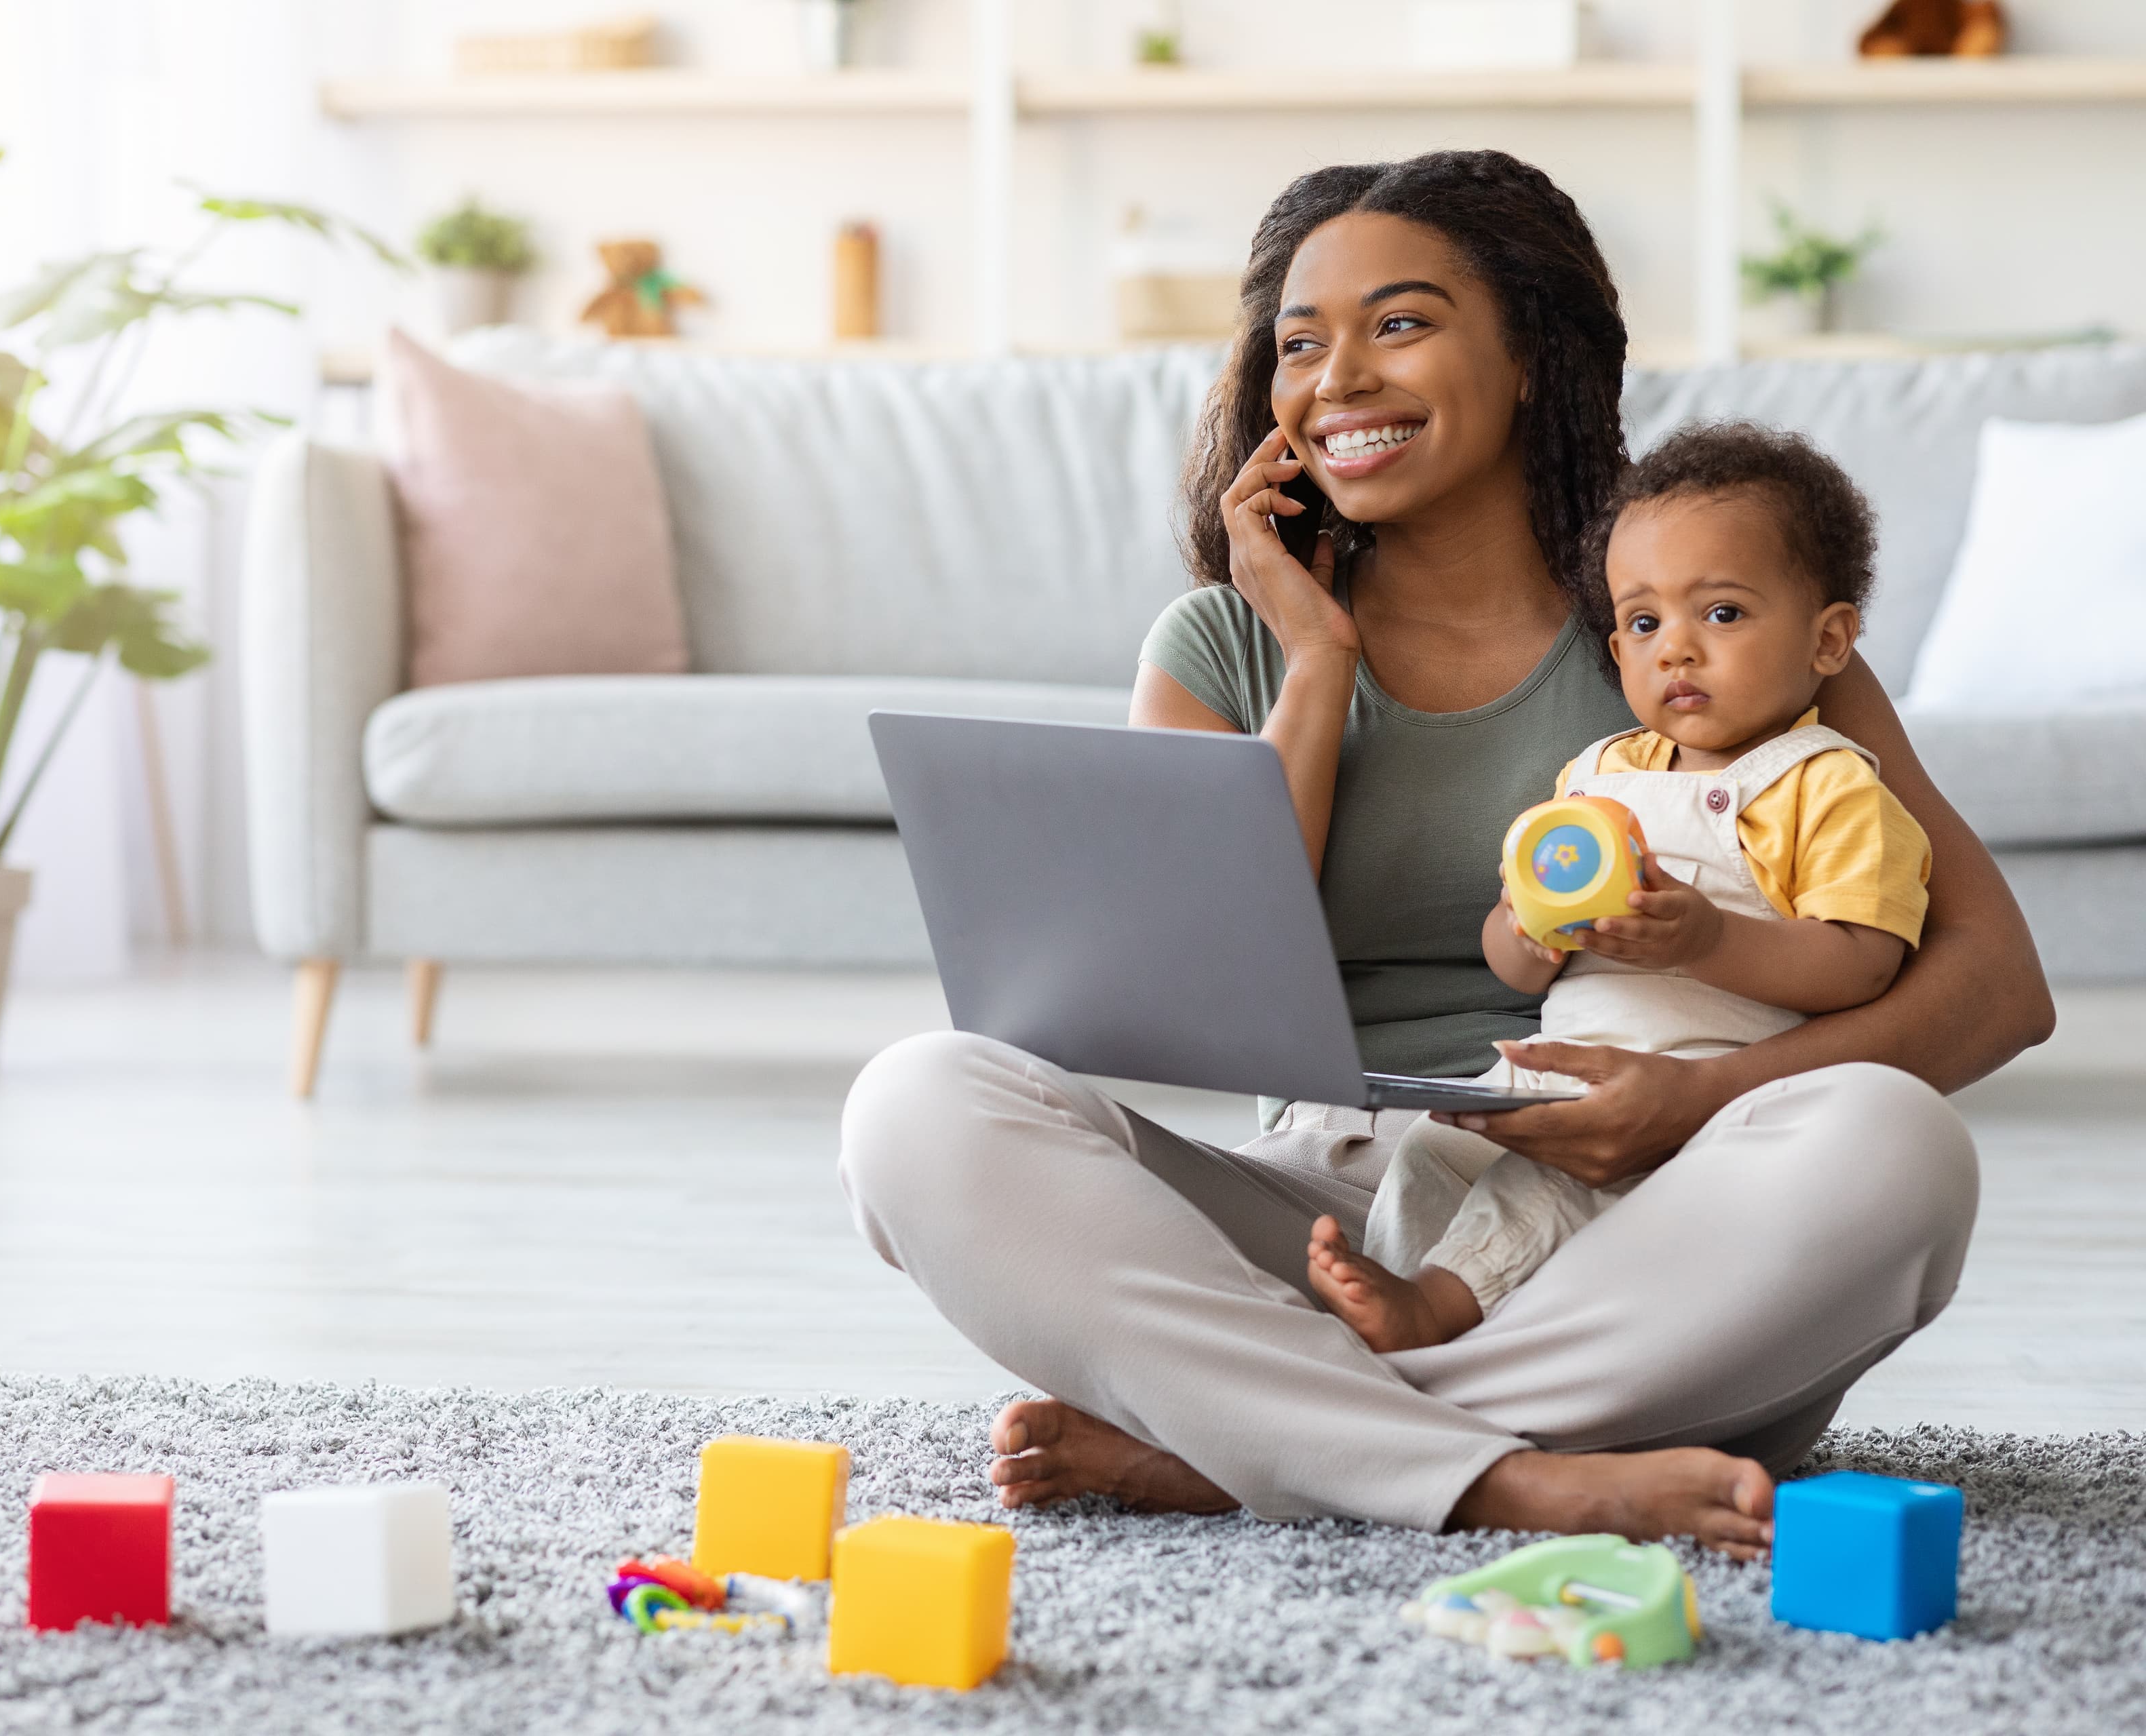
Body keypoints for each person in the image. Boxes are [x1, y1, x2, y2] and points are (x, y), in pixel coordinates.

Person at [835, 150, 2052, 1560]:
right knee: (915, 1104)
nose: (1338, 379)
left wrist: (1693, 1099)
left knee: (1896, 1145)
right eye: (1301, 345)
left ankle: (1261, 1447)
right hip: (1330, 1221)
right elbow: (1184, 989)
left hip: (1645, 1239)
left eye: (1400, 323)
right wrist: (1315, 661)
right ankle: (1511, 1477)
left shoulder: (1708, 625)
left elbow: (1998, 986)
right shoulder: (1222, 642)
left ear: (1532, 355)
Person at [1306, 422, 1934, 1354]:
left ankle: (1434, 1312)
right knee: (1434, 1152)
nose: (1677, 649)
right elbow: (1514, 956)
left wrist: (1710, 941)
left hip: (1703, 1097)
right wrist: (1528, 933)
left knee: (1550, 1187)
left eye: (1722, 614)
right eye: (1645, 624)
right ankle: (1399, 1325)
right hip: (1554, 1065)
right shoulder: (1597, 774)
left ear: (1829, 638)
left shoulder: (1833, 786)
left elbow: (1863, 964)